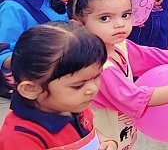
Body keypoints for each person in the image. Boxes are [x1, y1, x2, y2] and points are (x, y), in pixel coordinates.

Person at [61, 0, 168, 150]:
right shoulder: (99, 68)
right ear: (79, 25)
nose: (120, 23)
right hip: (104, 140)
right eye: (105, 18)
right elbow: (136, 99)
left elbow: (157, 56)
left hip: (123, 134)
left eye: (125, 15)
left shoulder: (119, 46)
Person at [0, 22, 118, 150]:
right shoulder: (20, 138)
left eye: (96, 77)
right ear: (31, 89)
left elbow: (89, 133)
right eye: (78, 85)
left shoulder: (74, 107)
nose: (93, 89)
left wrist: (106, 142)